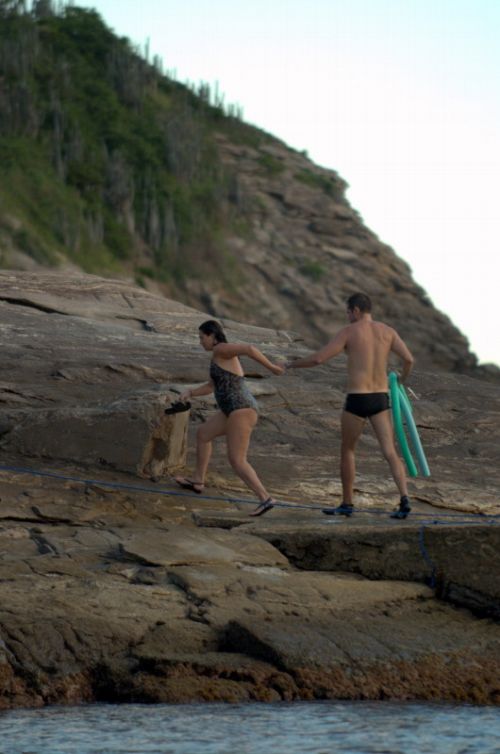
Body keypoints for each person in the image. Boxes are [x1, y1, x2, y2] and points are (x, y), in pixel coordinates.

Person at [285, 292, 415, 519]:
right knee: (390, 451)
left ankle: (347, 503)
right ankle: (404, 499)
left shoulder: (349, 332)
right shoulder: (388, 331)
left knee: (348, 450)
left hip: (357, 398)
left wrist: (289, 364)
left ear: (355, 310)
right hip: (380, 398)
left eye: (347, 312)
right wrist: (401, 381)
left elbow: (318, 359)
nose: (347, 316)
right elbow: (409, 360)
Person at [174, 320, 284, 516]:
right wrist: (190, 392)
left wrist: (272, 368)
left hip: (241, 409)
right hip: (230, 411)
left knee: (237, 460)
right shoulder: (218, 356)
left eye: (202, 337)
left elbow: (249, 349)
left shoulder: (221, 349)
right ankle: (198, 480)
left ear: (212, 336)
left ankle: (265, 498)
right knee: (203, 434)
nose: (200, 342)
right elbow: (211, 386)